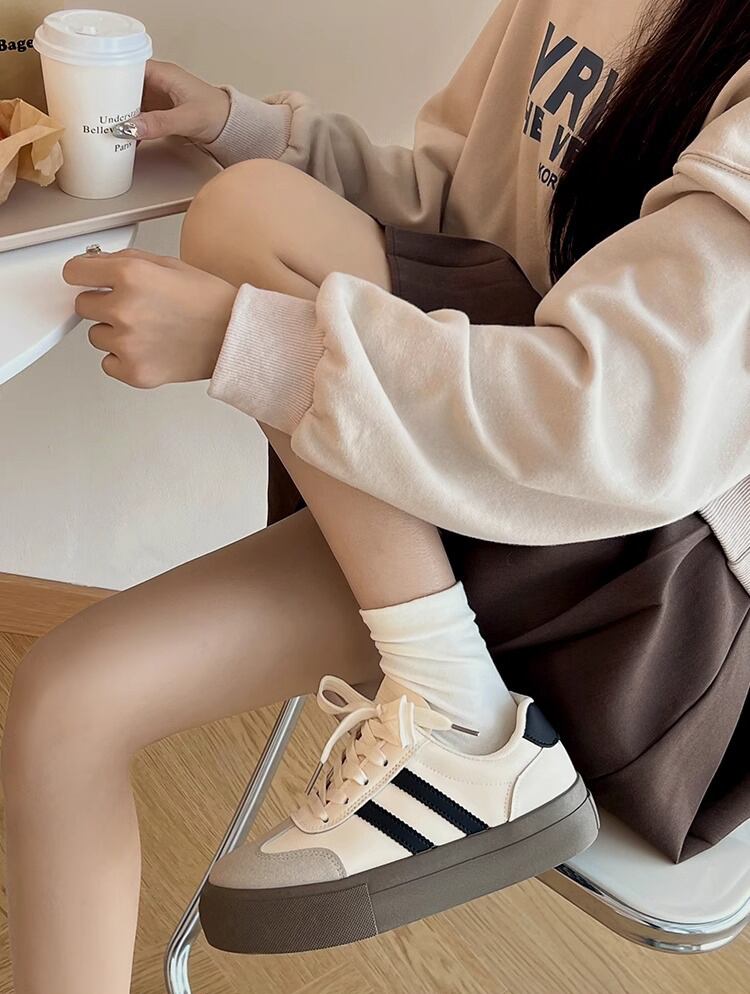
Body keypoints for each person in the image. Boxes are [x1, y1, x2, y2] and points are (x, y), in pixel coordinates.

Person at [3, 0, 750, 981]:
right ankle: (455, 697)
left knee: (245, 213)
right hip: (468, 491)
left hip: (644, 596)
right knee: (63, 706)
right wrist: (245, 128)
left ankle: (452, 706)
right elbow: (448, 218)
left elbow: (620, 430)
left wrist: (247, 342)